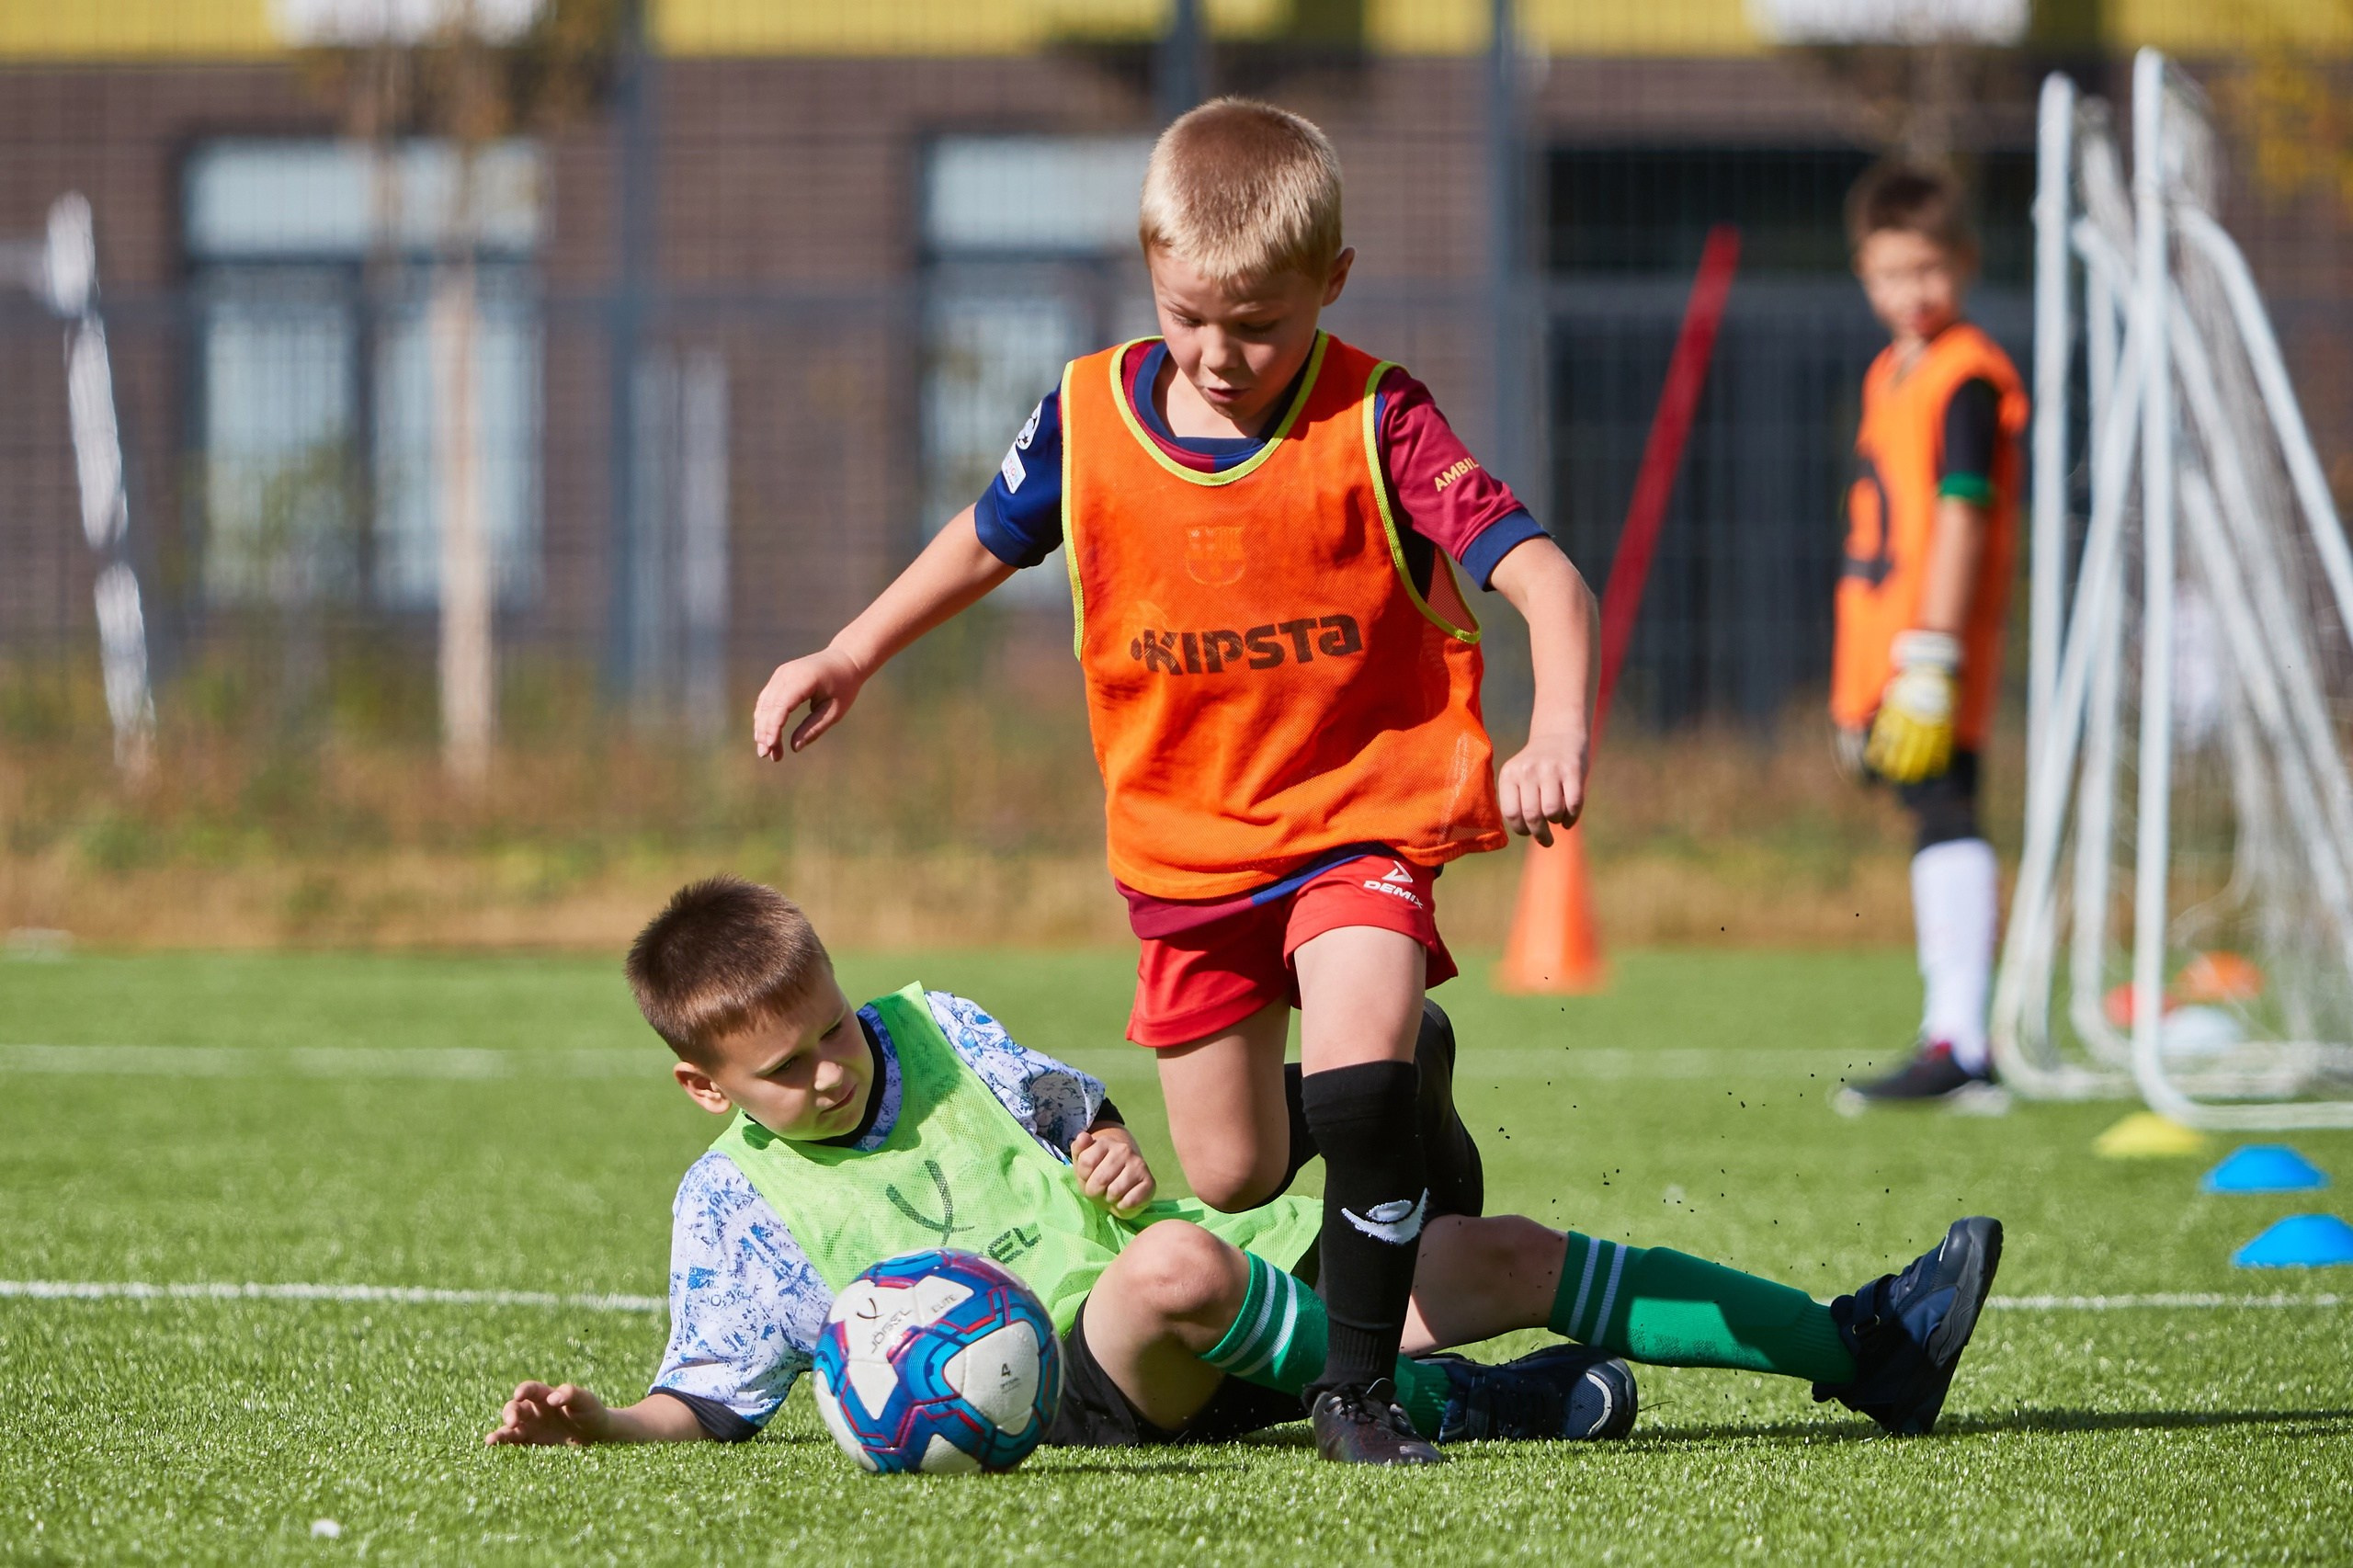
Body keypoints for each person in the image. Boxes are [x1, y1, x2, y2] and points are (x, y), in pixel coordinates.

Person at [752, 97, 1599, 1464]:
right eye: (1189, 314)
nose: (1219, 354)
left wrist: (1556, 727)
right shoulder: (1087, 415)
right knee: (1235, 1170)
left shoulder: (1380, 416)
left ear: (1333, 284)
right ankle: (1403, 1085)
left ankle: (1362, 1389)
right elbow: (984, 537)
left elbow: (1546, 577)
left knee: (1356, 1084)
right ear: (1149, 266)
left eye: (1259, 325)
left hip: (1355, 816)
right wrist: (850, 652)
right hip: (1187, 847)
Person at [483, 878, 2006, 1454]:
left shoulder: (924, 1023)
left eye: (829, 1029)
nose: (830, 1068)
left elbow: (1057, 1092)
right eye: (786, 1069)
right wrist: (602, 1425)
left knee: (1498, 1254)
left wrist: (1097, 1131)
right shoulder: (736, 1200)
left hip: (1187, 1297)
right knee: (1182, 1269)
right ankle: (1409, 1394)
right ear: (703, 1089)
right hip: (1073, 1383)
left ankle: (1856, 1349)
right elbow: (715, 1391)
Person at [1829, 163, 2029, 1112]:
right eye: (1888, 273)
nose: (1910, 292)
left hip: (1932, 648)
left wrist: (1931, 657)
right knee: (1927, 819)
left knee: (1949, 814)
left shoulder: (1966, 375)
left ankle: (1961, 1040)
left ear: (1964, 262)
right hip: (1888, 647)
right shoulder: (1889, 369)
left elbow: (1960, 516)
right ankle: (1948, 1030)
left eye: (1928, 269)